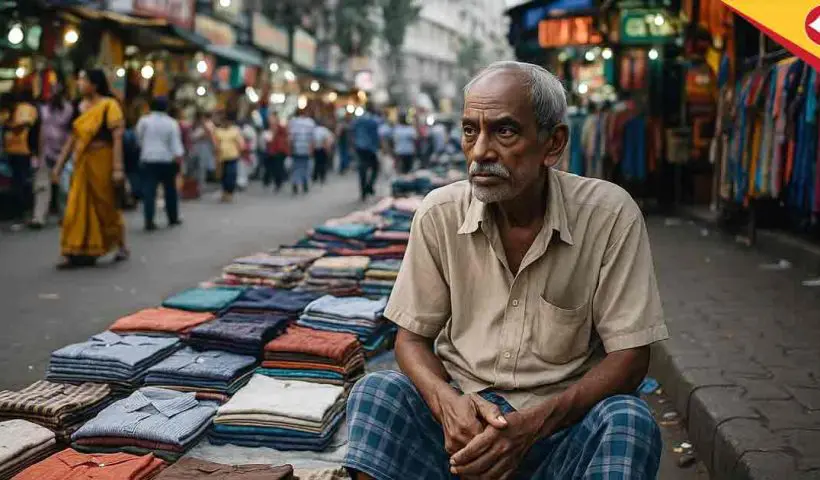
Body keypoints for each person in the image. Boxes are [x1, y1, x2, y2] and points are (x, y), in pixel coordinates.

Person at [343, 61, 667, 480]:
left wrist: (533, 425)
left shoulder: (609, 215)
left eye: (505, 131)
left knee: (628, 419)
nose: (480, 152)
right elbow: (410, 339)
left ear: (553, 144)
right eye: (470, 131)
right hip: (462, 427)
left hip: (560, 431)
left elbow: (631, 356)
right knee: (376, 393)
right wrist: (447, 404)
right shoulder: (439, 214)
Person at [51, 69, 129, 269]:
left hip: (103, 160)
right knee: (76, 207)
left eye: (83, 80)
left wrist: (117, 168)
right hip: (82, 163)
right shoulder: (79, 107)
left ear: (94, 84)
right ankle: (75, 250)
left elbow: (117, 138)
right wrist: (58, 167)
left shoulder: (109, 106)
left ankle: (120, 244)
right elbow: (72, 138)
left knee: (106, 206)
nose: (79, 83)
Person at [136, 97, 184, 231]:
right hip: (166, 160)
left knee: (149, 191)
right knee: (170, 190)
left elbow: (139, 139)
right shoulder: (172, 123)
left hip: (148, 159)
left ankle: (149, 220)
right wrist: (179, 158)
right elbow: (176, 144)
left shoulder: (144, 121)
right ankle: (172, 217)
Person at [31, 84, 73, 228]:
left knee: (64, 188)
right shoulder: (44, 110)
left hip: (63, 153)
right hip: (46, 152)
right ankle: (39, 217)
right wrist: (39, 153)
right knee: (42, 187)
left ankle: (65, 215)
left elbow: (71, 133)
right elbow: (40, 133)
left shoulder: (69, 110)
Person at [3, 87, 40, 224]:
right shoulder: (9, 111)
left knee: (23, 182)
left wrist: (9, 125)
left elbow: (24, 125)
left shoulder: (25, 108)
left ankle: (24, 211)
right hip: (10, 151)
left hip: (24, 151)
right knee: (15, 182)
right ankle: (17, 211)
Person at [213, 111, 245, 202]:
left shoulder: (235, 130)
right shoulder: (218, 131)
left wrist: (241, 150)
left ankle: (230, 192)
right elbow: (216, 143)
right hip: (221, 157)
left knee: (231, 174)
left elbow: (241, 143)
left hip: (232, 156)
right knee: (223, 176)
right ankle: (225, 191)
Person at [351, 105, 381, 200]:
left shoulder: (358, 119)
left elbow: (353, 131)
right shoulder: (374, 121)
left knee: (362, 168)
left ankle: (363, 190)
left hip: (359, 147)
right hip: (370, 148)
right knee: (375, 167)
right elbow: (376, 136)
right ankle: (369, 185)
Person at [187, 110, 217, 199]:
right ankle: (192, 186)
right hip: (194, 147)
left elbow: (209, 135)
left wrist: (214, 147)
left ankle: (200, 187)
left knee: (201, 167)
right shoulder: (193, 125)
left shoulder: (208, 125)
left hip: (203, 147)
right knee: (192, 167)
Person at [287, 108, 315, 195]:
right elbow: (312, 138)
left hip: (296, 148)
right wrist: (311, 149)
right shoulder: (310, 122)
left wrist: (290, 148)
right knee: (305, 167)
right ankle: (304, 183)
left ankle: (295, 182)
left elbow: (291, 137)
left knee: (295, 167)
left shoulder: (293, 122)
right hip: (306, 148)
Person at [262, 111, 289, 192]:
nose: (271, 120)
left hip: (279, 150)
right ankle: (268, 180)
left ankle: (278, 183)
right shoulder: (268, 128)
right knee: (269, 167)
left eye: (272, 118)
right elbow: (267, 140)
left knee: (278, 167)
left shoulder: (281, 128)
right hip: (270, 150)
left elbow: (285, 136)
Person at [312, 120, 334, 185]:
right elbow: (327, 141)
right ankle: (322, 177)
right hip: (323, 149)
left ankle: (315, 177)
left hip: (316, 148)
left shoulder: (314, 130)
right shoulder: (325, 130)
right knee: (323, 164)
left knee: (316, 163)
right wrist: (328, 150)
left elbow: (312, 141)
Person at [238, 119, 258, 190]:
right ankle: (241, 183)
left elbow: (249, 138)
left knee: (245, 168)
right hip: (243, 152)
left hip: (248, 151)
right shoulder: (240, 129)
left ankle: (242, 182)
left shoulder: (248, 129)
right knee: (242, 168)